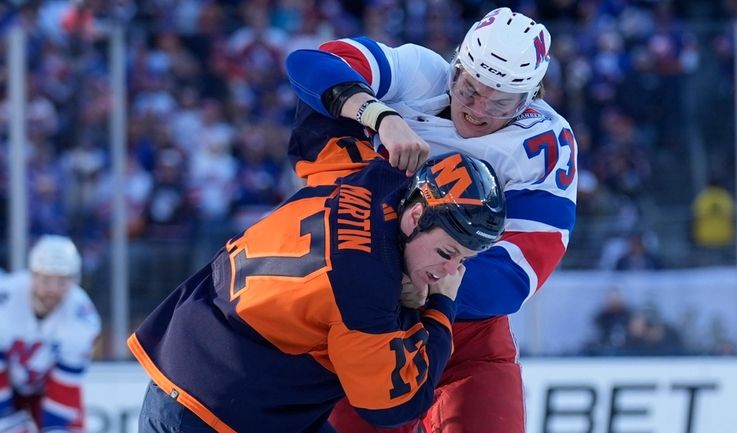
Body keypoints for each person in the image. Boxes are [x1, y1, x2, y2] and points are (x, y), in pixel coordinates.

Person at [285, 7, 577, 433]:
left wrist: (419, 285)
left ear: (531, 98)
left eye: (500, 103)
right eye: (469, 90)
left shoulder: (546, 144)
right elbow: (309, 63)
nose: (477, 110)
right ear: (455, 68)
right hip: (367, 316)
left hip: (462, 322)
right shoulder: (420, 73)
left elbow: (519, 271)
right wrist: (379, 116)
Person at [127, 137, 506, 432]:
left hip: (202, 362)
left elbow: (313, 104)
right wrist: (440, 308)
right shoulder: (365, 286)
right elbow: (393, 404)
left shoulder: (371, 172)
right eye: (446, 252)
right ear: (417, 216)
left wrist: (379, 116)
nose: (452, 271)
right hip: (212, 411)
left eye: (463, 260)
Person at [0, 235, 101, 433]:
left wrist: (55, 427)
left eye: (62, 281)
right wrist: (5, 416)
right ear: (33, 275)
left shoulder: (83, 318)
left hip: (48, 387)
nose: (53, 290)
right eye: (46, 279)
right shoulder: (6, 298)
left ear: (74, 281)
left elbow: (66, 384)